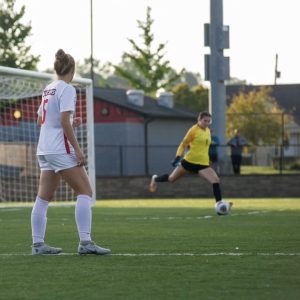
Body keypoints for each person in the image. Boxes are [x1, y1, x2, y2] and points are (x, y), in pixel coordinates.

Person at [31, 49, 111, 255]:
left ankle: (38, 245)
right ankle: (85, 243)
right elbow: (63, 121)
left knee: (43, 197)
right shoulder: (67, 89)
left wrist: (67, 122)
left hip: (44, 148)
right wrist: (77, 149)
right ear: (72, 69)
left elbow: (40, 120)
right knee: (85, 192)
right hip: (60, 148)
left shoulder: (48, 88)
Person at [149, 111, 232, 213]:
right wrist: (177, 157)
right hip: (189, 162)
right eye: (205, 121)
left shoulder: (207, 131)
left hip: (203, 164)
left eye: (209, 121)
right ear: (199, 120)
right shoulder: (193, 130)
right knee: (171, 179)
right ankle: (155, 178)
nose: (206, 123)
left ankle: (220, 206)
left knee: (215, 180)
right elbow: (183, 144)